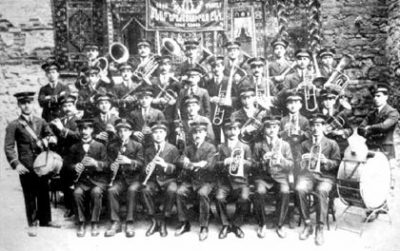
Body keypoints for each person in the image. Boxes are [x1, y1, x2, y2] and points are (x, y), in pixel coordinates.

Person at [4, 92, 59, 237]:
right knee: (29, 194)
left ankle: (46, 220)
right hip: (26, 165)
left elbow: (51, 134)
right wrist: (16, 164)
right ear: (19, 105)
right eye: (23, 103)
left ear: (33, 104)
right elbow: (8, 147)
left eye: (29, 102)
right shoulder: (14, 125)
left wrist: (50, 139)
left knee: (43, 191)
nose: (26, 106)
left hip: (42, 163)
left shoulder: (41, 121)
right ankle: (32, 224)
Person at [295, 114, 341, 246]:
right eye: (313, 126)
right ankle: (308, 224)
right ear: (310, 128)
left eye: (319, 125)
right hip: (308, 176)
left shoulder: (332, 143)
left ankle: (319, 228)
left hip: (325, 177)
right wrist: (303, 159)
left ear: (324, 127)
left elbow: (337, 162)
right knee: (299, 189)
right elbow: (297, 163)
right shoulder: (304, 144)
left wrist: (326, 161)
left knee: (321, 191)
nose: (316, 128)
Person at [66, 118, 109, 237]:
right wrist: (76, 166)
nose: (83, 131)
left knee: (96, 193)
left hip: (98, 181)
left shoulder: (100, 146)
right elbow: (67, 165)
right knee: (77, 193)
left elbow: (107, 165)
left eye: (86, 128)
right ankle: (81, 222)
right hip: (82, 181)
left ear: (92, 130)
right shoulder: (74, 147)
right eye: (81, 129)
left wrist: (96, 163)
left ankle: (95, 222)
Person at [252, 116, 293, 238]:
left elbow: (291, 165)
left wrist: (282, 159)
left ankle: (280, 224)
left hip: (280, 177)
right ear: (264, 129)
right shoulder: (258, 145)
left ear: (278, 129)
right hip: (263, 178)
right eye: (268, 127)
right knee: (259, 192)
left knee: (285, 191)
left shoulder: (285, 145)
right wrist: (263, 161)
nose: (271, 130)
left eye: (274, 127)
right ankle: (262, 223)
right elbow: (253, 165)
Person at [175, 121, 218, 241]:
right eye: (195, 133)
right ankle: (184, 223)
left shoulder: (210, 147)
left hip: (206, 181)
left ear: (205, 133)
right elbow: (181, 162)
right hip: (192, 180)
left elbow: (210, 166)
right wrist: (194, 164)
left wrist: (192, 164)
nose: (197, 134)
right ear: (192, 135)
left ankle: (204, 226)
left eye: (200, 132)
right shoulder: (188, 148)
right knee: (179, 192)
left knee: (202, 194)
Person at [104, 118, 144, 238]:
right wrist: (112, 165)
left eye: (126, 131)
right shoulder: (112, 146)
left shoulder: (137, 145)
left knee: (132, 190)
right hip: (120, 179)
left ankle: (130, 222)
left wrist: (129, 161)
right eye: (120, 131)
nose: (122, 133)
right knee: (112, 191)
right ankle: (115, 222)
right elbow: (108, 163)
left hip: (134, 179)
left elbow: (141, 164)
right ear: (117, 133)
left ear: (131, 132)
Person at [359, 83, 400, 196]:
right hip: (371, 149)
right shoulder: (372, 114)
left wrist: (370, 128)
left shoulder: (392, 112)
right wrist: (367, 130)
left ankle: (384, 204)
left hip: (385, 149)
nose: (376, 99)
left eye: (379, 96)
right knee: (370, 178)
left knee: (385, 179)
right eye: (374, 96)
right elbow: (360, 129)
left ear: (386, 97)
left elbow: (385, 126)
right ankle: (372, 205)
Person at [214, 118, 252, 239]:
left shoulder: (245, 147)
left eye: (235, 129)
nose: (233, 131)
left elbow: (251, 165)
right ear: (225, 131)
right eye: (229, 129)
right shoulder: (220, 147)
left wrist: (243, 162)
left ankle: (236, 224)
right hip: (225, 182)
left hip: (241, 182)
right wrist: (225, 161)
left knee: (245, 198)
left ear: (239, 130)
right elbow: (214, 165)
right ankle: (225, 224)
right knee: (219, 197)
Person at [142, 120, 180, 237]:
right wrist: (146, 169)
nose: (158, 135)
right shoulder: (148, 149)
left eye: (161, 132)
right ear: (152, 135)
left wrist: (165, 165)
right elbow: (143, 166)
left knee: (172, 190)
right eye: (155, 132)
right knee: (145, 190)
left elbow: (177, 168)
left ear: (165, 134)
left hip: (169, 180)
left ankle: (163, 220)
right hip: (153, 180)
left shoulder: (173, 148)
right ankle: (153, 220)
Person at [50, 93, 83, 218]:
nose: (67, 108)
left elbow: (78, 136)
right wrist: (52, 137)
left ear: (74, 106)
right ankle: (69, 207)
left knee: (75, 180)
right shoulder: (61, 119)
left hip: (76, 155)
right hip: (62, 155)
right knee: (64, 181)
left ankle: (77, 207)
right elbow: (53, 134)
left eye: (70, 105)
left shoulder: (80, 119)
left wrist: (62, 129)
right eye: (64, 106)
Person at [203, 55, 237, 142]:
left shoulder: (230, 81)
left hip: (227, 115)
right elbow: (205, 97)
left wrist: (229, 101)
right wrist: (211, 99)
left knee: (228, 139)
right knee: (215, 139)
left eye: (218, 66)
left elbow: (237, 97)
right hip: (214, 116)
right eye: (213, 67)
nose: (216, 69)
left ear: (223, 67)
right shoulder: (208, 83)